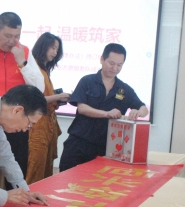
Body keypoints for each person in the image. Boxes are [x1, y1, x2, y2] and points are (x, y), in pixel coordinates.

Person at [0, 12, 45, 197]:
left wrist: (22, 63)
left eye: (17, 36)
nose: (12, 41)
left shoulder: (24, 52)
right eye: (8, 36)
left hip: (17, 123)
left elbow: (39, 88)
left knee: (15, 171)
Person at [59, 43, 148, 171]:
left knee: (96, 182)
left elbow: (144, 109)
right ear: (102, 59)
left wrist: (138, 112)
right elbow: (82, 108)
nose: (115, 68)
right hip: (78, 143)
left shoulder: (124, 89)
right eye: (111, 63)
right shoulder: (87, 81)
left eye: (119, 65)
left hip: (105, 148)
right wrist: (106, 114)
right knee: (67, 179)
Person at [26, 32, 70, 184]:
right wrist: (58, 97)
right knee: (35, 167)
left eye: (57, 49)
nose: (55, 52)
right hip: (37, 125)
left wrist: (57, 98)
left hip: (47, 124)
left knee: (45, 167)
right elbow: (35, 99)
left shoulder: (44, 70)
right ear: (43, 46)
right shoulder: (34, 69)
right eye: (52, 48)